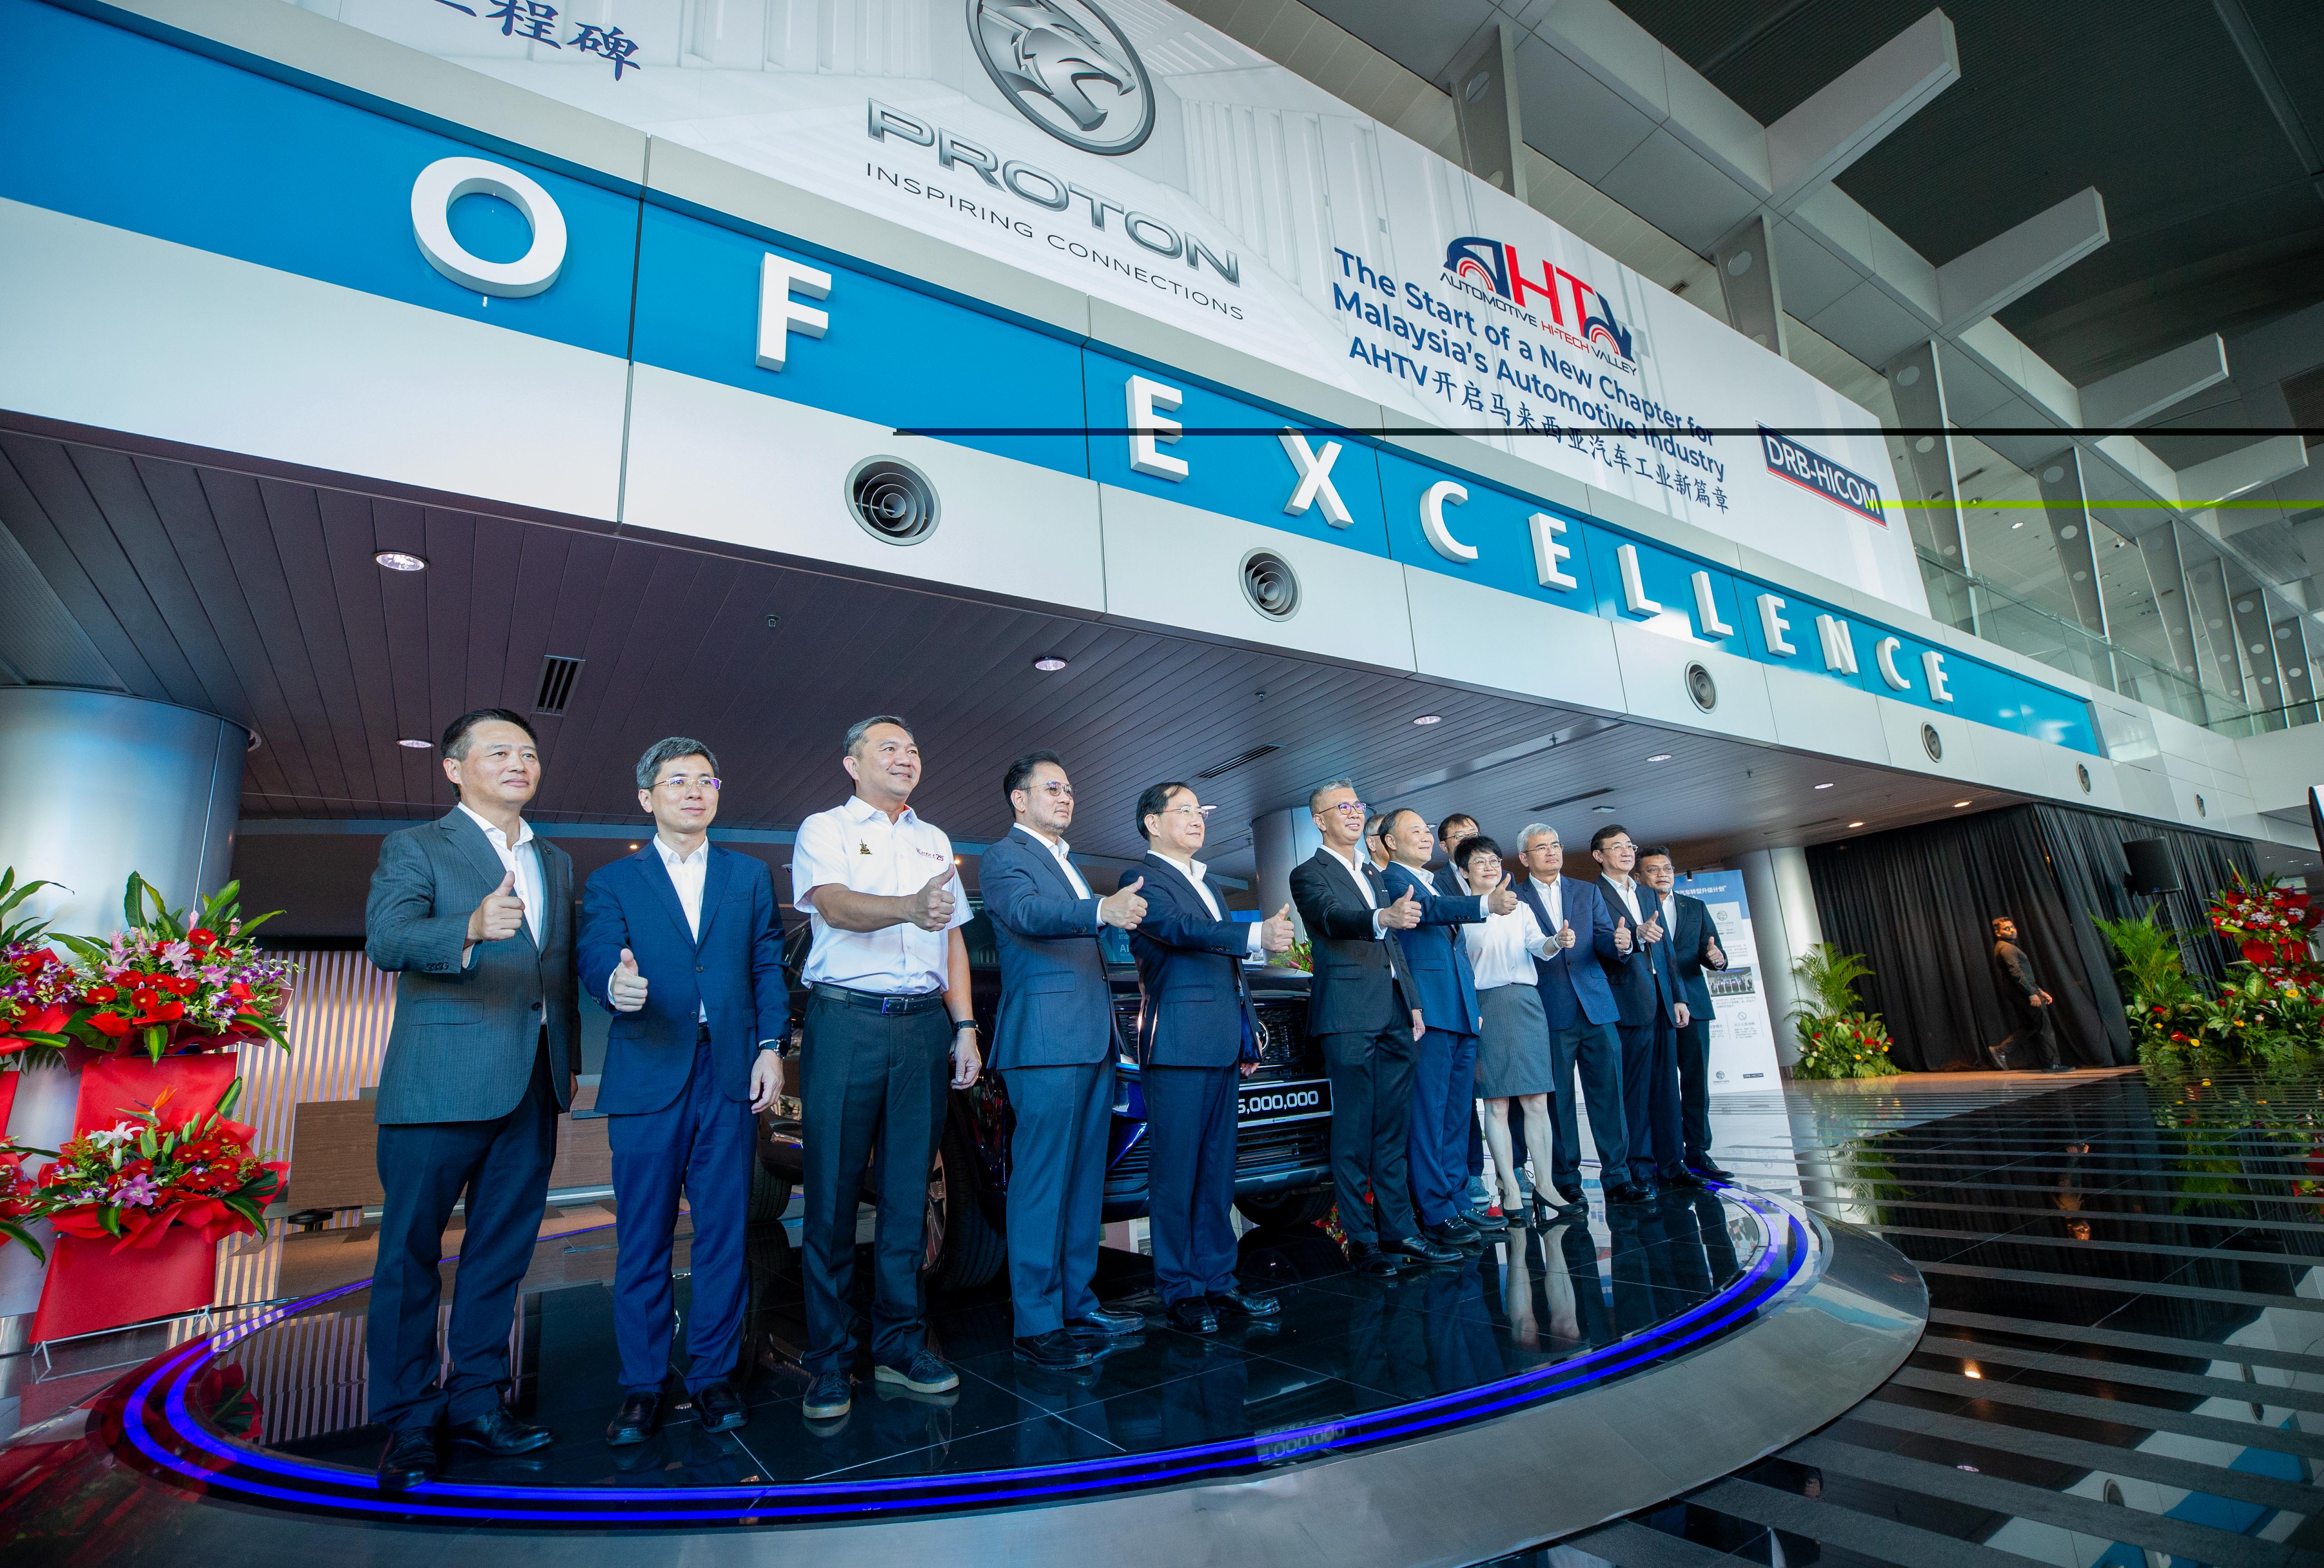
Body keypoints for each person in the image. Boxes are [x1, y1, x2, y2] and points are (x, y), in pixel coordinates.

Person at [363, 708, 579, 1491]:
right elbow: (387, 940)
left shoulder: (554, 860)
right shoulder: (417, 846)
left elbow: (556, 969)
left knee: (500, 1253)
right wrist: (469, 926)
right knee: (409, 1255)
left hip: (533, 1083)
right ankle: (407, 1419)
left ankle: (478, 1402)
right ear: (455, 769)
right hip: (439, 1083)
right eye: (499, 752)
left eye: (529, 753)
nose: (520, 763)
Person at [578, 738, 790, 1446]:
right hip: (648, 1070)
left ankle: (713, 1375)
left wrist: (771, 1047)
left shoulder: (747, 875)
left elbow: (766, 964)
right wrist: (613, 982)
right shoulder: (614, 881)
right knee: (643, 1235)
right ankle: (642, 1384)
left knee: (726, 1231)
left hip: (727, 1068)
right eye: (678, 781)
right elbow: (595, 953)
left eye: (706, 780)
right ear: (647, 798)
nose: (695, 791)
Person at [785, 716, 981, 1424]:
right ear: (852, 763)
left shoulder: (934, 839)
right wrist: (907, 908)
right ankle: (829, 1360)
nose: (906, 757)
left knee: (907, 1193)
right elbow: (834, 906)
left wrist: (964, 1026)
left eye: (913, 748)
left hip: (923, 1027)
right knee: (832, 1196)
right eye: (889, 747)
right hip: (847, 1023)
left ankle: (900, 1344)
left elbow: (951, 938)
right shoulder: (825, 828)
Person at [977, 751, 1151, 1369]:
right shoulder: (1005, 857)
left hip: (1091, 1038)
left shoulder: (1066, 862)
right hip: (1045, 1040)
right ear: (1019, 799)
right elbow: (1028, 915)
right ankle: (1036, 1323)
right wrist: (1100, 909)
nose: (1066, 797)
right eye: (1052, 788)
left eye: (1070, 789)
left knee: (1082, 1182)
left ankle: (1078, 1304)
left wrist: (1111, 917)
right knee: (1042, 1182)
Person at [1129, 781, 1296, 1331]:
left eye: (1200, 810)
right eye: (1184, 810)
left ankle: (1220, 1281)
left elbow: (1228, 971)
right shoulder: (1143, 881)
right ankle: (1181, 1290)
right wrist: (1254, 932)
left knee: (1217, 1172)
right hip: (1177, 1045)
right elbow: (1181, 931)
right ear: (1153, 823)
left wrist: (1246, 1035)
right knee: (1176, 1174)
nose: (1198, 818)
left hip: (1222, 1043)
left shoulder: (1207, 882)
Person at [1288, 781, 1464, 1275]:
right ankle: (1363, 1242)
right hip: (1347, 1014)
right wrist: (1381, 916)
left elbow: (1394, 946)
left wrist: (1413, 1003)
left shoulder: (1372, 870)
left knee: (1392, 1128)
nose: (1353, 813)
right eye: (1341, 807)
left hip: (1393, 1011)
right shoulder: (1308, 873)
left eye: (1357, 805)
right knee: (1352, 1132)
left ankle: (1400, 1231)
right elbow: (1332, 918)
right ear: (1319, 820)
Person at [1378, 808, 1512, 1245]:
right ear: (1391, 842)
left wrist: (1470, 1006)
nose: (1424, 836)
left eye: (1425, 830)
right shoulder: (1392, 880)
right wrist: (1484, 903)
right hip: (1429, 1013)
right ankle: (1435, 1209)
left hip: (1459, 1010)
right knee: (1430, 1114)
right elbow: (1431, 913)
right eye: (1414, 831)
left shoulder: (1431, 880)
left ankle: (1458, 1201)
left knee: (1457, 1114)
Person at [1507, 824, 1648, 1209]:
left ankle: (1618, 1177)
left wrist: (1621, 945)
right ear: (1525, 858)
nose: (1552, 852)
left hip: (1596, 1007)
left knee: (1610, 1094)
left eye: (1556, 845)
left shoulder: (1586, 891)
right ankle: (1567, 1180)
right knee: (1558, 1102)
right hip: (1548, 1009)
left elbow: (1604, 939)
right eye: (1542, 848)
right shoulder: (1514, 898)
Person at [1456, 836, 1561, 1226]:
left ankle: (1546, 1184)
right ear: (1463, 872)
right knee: (1497, 1102)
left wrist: (1556, 941)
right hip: (1487, 1006)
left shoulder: (1521, 907)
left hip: (1527, 1004)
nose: (1489, 867)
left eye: (1494, 860)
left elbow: (1538, 946)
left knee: (1537, 1100)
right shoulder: (1460, 912)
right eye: (1480, 862)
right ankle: (1510, 1187)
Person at [1591, 825, 1700, 1192]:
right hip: (1626, 1000)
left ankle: (1672, 1163)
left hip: (1662, 1000)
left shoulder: (1647, 893)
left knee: (1668, 1086)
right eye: (1617, 847)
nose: (1626, 852)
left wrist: (1679, 997)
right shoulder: (1593, 894)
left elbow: (1666, 949)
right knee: (1634, 1090)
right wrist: (1632, 938)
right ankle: (1638, 1166)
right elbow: (1598, 946)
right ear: (1599, 856)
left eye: (1629, 846)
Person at [1635, 848, 1732, 1180]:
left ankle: (1699, 1151)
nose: (1663, 874)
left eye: (1667, 869)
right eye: (1653, 870)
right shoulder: (1635, 910)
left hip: (1695, 1003)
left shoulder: (1696, 907)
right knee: (1657, 1083)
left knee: (1696, 1081)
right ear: (1639, 877)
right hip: (1652, 1005)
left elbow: (1712, 951)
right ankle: (1662, 1154)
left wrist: (1718, 959)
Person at [1991, 916, 2067, 1072]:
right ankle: (2052, 1064)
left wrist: (2039, 990)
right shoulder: (2007, 948)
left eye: (2013, 927)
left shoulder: (2006, 947)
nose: (2012, 931)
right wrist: (2032, 994)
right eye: (2007, 929)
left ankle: (2001, 1050)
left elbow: (2023, 974)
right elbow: (2016, 972)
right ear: (1998, 933)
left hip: (2020, 991)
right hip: (2022, 992)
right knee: (2044, 1026)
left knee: (2031, 1026)